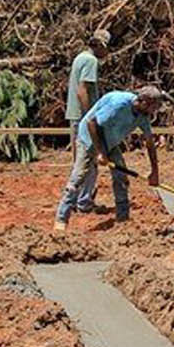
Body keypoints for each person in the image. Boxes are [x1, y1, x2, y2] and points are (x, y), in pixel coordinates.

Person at [54, 85, 162, 231]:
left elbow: (149, 142)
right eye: (153, 107)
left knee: (121, 176)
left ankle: (123, 219)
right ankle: (61, 219)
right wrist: (100, 153)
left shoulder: (142, 116)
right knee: (78, 177)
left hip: (109, 141)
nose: (154, 112)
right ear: (144, 102)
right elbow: (91, 123)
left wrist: (155, 171)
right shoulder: (118, 105)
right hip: (89, 138)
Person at [65, 30, 111, 213]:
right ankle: (84, 202)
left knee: (80, 161)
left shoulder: (80, 57)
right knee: (88, 160)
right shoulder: (91, 61)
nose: (106, 53)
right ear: (99, 45)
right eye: (105, 48)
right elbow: (82, 90)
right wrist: (89, 116)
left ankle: (76, 199)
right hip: (81, 116)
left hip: (74, 115)